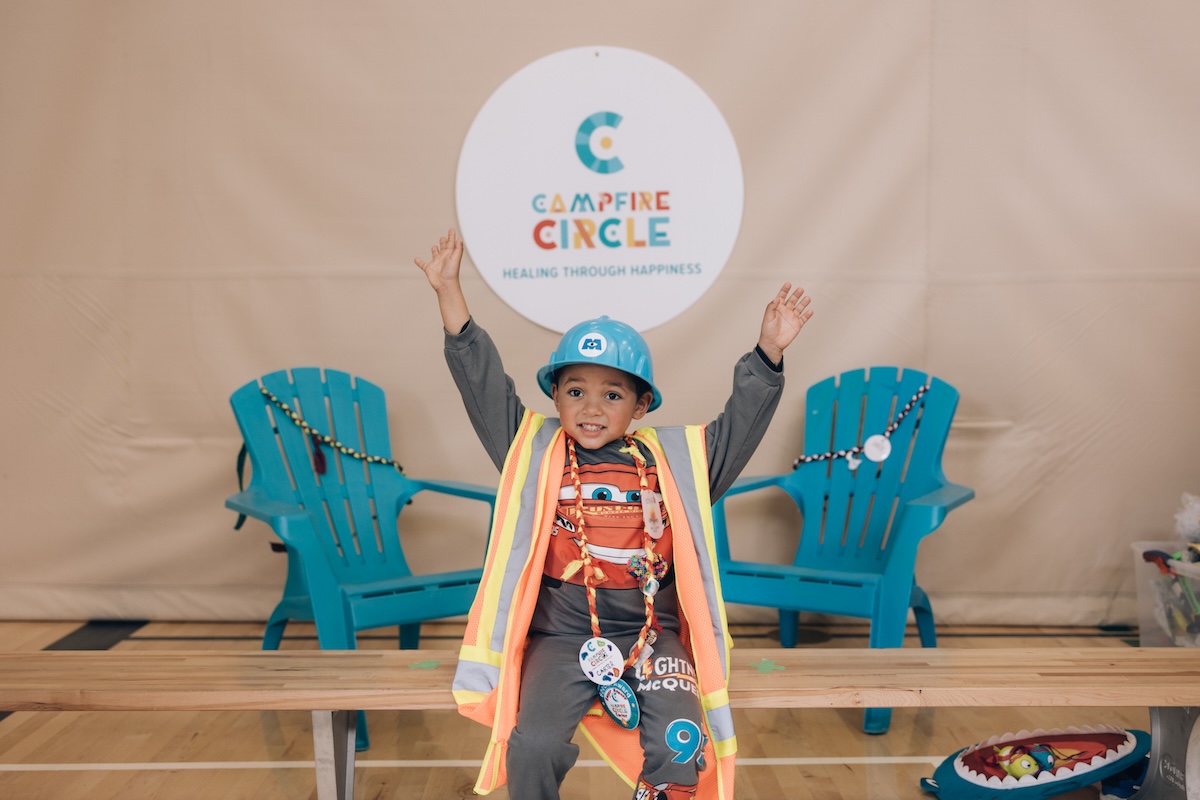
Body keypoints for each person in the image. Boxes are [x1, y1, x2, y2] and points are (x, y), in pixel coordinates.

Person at [414, 228, 813, 800]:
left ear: (641, 404)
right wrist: (450, 295)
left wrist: (768, 355)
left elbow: (739, 426)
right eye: (575, 391)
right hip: (561, 635)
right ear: (555, 398)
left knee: (681, 743)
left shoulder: (675, 460)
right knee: (534, 746)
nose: (592, 408)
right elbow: (483, 387)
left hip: (653, 636)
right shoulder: (532, 450)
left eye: (612, 394)